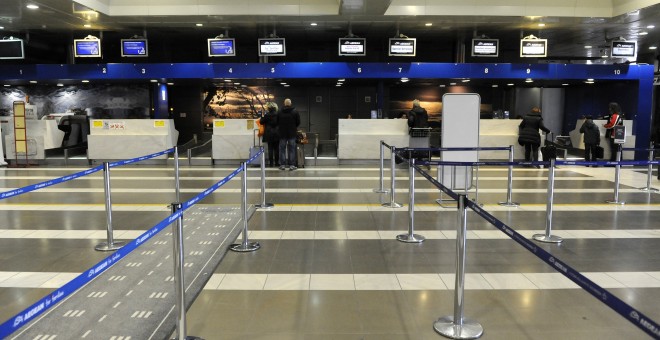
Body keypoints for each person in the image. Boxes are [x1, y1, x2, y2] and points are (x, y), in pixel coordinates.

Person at [277, 98, 301, 170]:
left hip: (282, 133)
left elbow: (277, 121)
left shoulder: (280, 111)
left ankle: (282, 165)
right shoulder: (295, 111)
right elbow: (298, 122)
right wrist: (293, 127)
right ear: (290, 104)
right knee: (292, 149)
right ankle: (292, 165)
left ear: (284, 103)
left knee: (282, 149)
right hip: (292, 133)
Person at [259, 102, 280, 167]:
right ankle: (276, 163)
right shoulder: (278, 114)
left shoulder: (267, 115)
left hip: (269, 133)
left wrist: (262, 116)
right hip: (277, 133)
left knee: (270, 148)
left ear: (269, 108)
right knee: (277, 149)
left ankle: (271, 163)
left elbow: (261, 122)